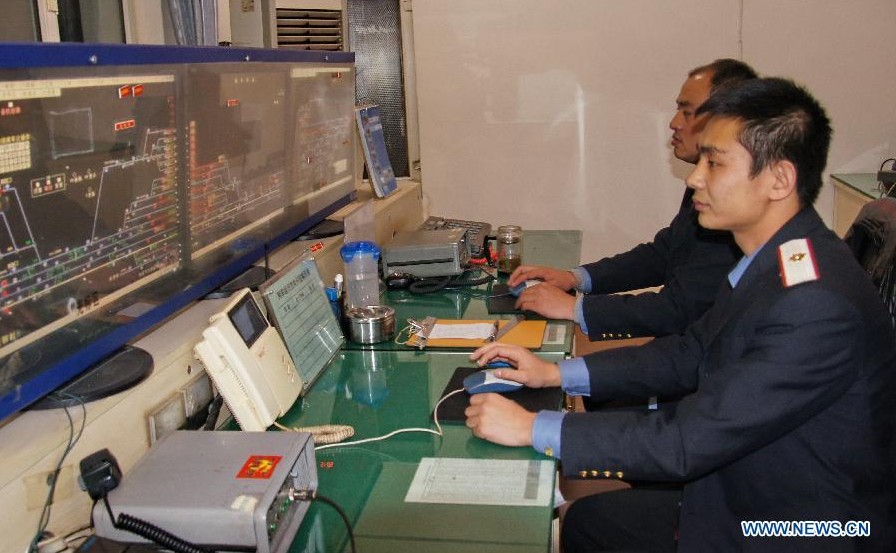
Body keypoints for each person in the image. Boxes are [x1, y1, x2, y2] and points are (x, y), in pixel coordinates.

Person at [466, 78, 896, 552]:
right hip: (759, 486)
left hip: (807, 526)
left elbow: (688, 441)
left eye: (715, 163)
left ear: (779, 180)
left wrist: (533, 428)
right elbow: (691, 352)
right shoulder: (779, 258)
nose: (695, 177)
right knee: (595, 520)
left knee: (592, 524)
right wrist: (553, 373)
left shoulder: (814, 304)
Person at [508, 59, 756, 340]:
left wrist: (576, 308)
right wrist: (575, 278)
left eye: (687, 112)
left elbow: (679, 310)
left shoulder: (734, 202)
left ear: (727, 119)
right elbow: (665, 253)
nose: (674, 123)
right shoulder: (705, 181)